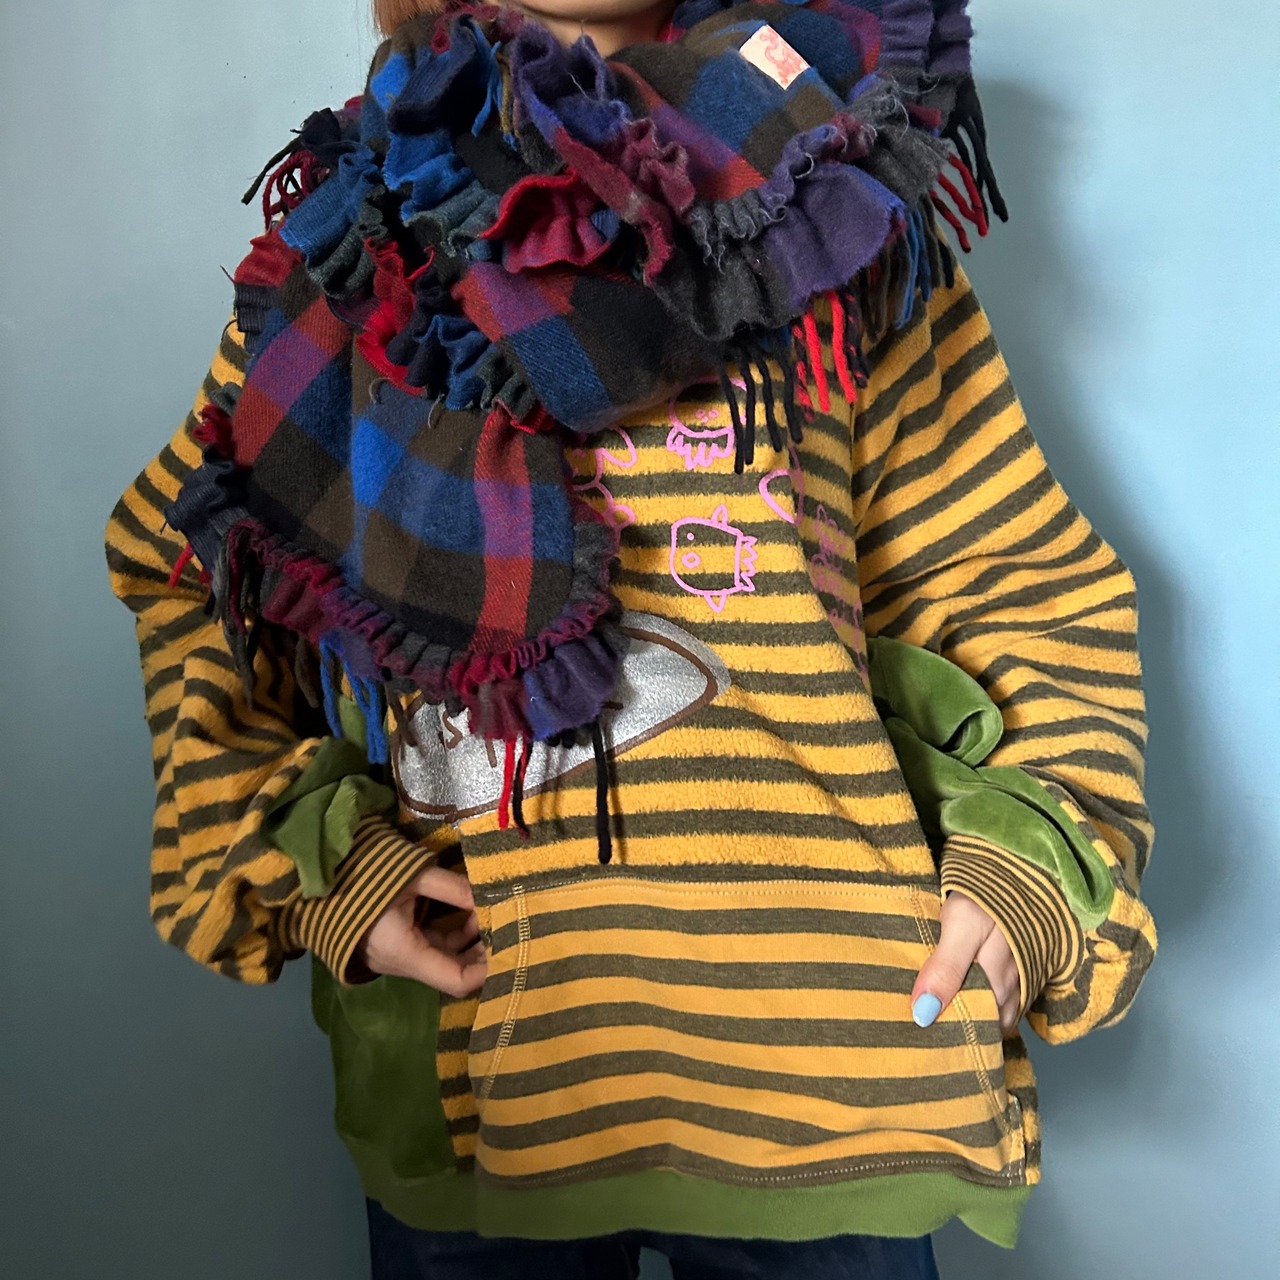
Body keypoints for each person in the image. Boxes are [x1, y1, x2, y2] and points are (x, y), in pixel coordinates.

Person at [105, 0, 1158, 1276]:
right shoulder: (352, 236)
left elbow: (1009, 574)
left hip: (831, 1077)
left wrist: (1029, 861)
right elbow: (199, 569)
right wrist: (313, 861)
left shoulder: (832, 205)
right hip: (480, 1075)